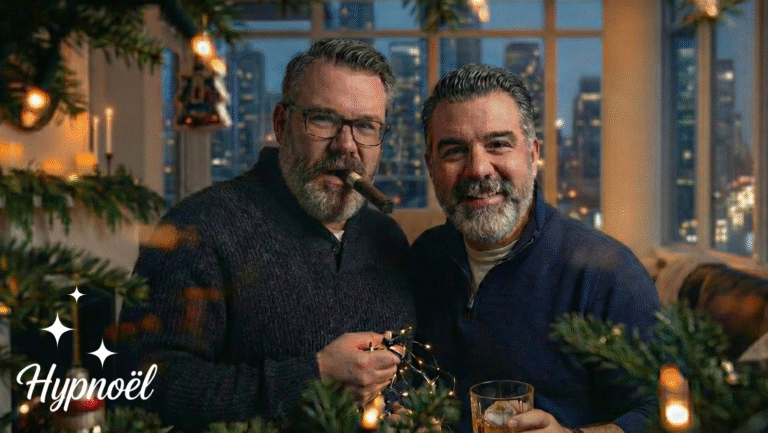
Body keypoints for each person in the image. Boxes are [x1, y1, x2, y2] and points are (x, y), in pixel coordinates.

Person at [118, 38, 414, 430]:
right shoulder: (198, 230)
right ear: (281, 123)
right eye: (323, 119)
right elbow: (140, 389)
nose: (346, 146)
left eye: (365, 126)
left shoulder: (387, 238)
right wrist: (312, 375)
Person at [410, 64, 662, 433]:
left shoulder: (609, 273)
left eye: (498, 144)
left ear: (532, 154)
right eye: (454, 151)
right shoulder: (425, 257)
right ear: (431, 165)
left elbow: (661, 410)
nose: (479, 169)